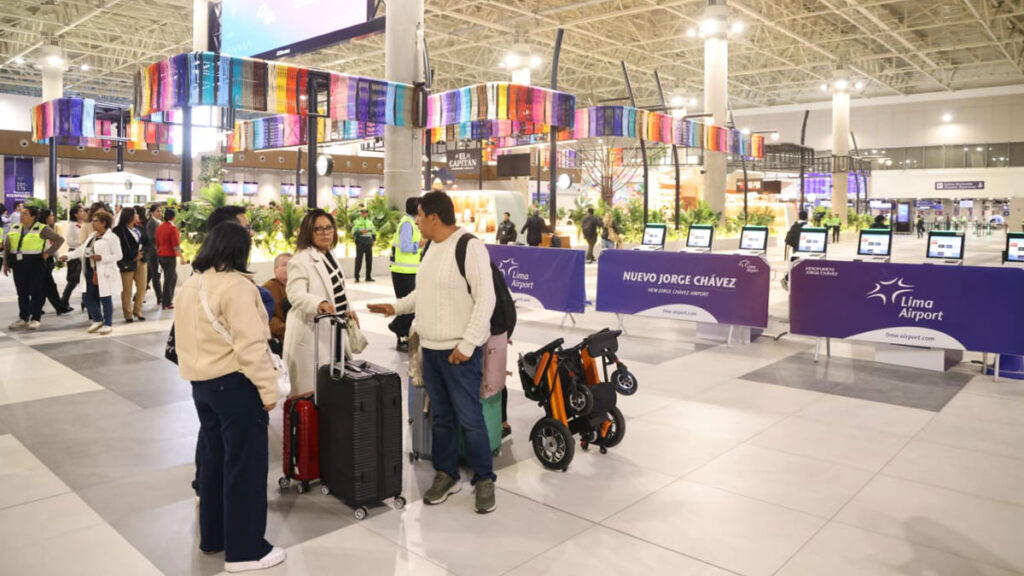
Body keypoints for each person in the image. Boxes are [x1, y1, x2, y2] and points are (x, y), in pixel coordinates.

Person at [368, 191, 497, 514]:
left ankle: (484, 478)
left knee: (470, 418)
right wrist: (394, 307)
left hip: (459, 353)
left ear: (434, 218)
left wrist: (467, 346)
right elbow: (421, 292)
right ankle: (446, 473)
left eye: (420, 216)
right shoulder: (430, 248)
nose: (417, 221)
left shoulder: (470, 247)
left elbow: (486, 300)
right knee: (441, 417)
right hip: (431, 350)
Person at [174, 222, 286, 573]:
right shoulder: (237, 287)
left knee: (214, 462)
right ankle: (245, 551)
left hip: (201, 386)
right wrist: (268, 391)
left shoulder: (190, 284)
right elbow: (251, 344)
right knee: (245, 467)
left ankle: (214, 539)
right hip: (235, 386)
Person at [283, 209, 358, 396]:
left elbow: (338, 289)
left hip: (335, 331)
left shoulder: (330, 255)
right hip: (311, 333)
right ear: (308, 232)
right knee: (312, 394)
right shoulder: (301, 260)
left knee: (334, 388)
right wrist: (318, 303)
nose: (325, 233)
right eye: (318, 229)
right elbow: (295, 294)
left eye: (328, 228)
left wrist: (348, 309)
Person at [4, 205, 65, 330]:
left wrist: (48, 253)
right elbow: (7, 246)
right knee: (22, 292)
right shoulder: (15, 227)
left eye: (25, 214)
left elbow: (59, 239)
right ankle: (23, 317)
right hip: (18, 264)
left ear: (33, 217)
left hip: (35, 264)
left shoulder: (42, 228)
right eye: (21, 213)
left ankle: (36, 318)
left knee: (36, 291)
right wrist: (6, 263)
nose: (21, 216)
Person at [62, 210, 121, 335]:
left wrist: (102, 258)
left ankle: (108, 323)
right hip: (89, 271)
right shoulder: (92, 236)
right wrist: (68, 256)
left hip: (104, 273)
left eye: (96, 221)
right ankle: (98, 319)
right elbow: (82, 250)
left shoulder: (112, 237)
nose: (93, 224)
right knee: (87, 298)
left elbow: (119, 255)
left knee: (105, 298)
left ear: (104, 223)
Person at [388, 197, 422, 352]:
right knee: (408, 308)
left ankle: (399, 330)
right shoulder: (407, 224)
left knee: (411, 306)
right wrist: (420, 244)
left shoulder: (411, 223)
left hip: (410, 271)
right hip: (403, 272)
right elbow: (405, 246)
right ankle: (400, 334)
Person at [113, 208, 149, 322]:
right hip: (127, 262)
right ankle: (127, 313)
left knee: (142, 286)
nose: (138, 216)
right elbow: (118, 248)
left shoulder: (140, 229)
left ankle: (137, 310)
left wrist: (142, 254)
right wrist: (133, 255)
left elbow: (148, 243)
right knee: (127, 289)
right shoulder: (118, 230)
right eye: (135, 214)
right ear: (129, 216)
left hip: (141, 261)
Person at [39, 209, 72, 315]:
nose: (53, 218)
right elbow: (58, 241)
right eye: (51, 215)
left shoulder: (41, 227)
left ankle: (36, 307)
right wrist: (49, 253)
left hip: (44, 259)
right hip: (44, 259)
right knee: (49, 285)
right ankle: (60, 307)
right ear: (46, 217)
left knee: (44, 285)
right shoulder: (44, 228)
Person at [156, 207, 186, 310]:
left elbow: (157, 243)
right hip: (169, 256)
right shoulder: (172, 228)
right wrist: (181, 257)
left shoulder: (160, 227)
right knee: (169, 279)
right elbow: (175, 245)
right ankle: (166, 303)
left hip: (161, 255)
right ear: (174, 217)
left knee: (172, 277)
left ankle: (167, 300)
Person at [60, 204, 87, 311]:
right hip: (74, 253)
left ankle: (85, 301)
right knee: (73, 280)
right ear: (75, 214)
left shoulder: (85, 224)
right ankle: (63, 302)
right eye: (81, 211)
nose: (83, 213)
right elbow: (70, 241)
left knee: (85, 279)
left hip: (84, 253)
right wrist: (82, 243)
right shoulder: (71, 225)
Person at [262, 253, 291, 348]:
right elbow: (267, 317)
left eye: (292, 265)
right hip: (281, 337)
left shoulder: (301, 288)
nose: (288, 268)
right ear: (275, 270)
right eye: (284, 265)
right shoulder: (268, 288)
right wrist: (287, 330)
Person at [780, 210, 809, 292]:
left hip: (795, 249)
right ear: (806, 217)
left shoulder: (794, 224)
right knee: (802, 267)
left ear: (799, 216)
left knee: (796, 265)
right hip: (805, 250)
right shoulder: (808, 226)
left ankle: (789, 280)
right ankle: (787, 279)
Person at [145, 205, 163, 306]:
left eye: (160, 211)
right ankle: (159, 297)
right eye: (158, 211)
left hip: (155, 252)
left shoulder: (156, 222)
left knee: (150, 275)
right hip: (153, 253)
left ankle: (139, 294)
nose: (160, 213)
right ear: (152, 213)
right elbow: (152, 238)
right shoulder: (152, 223)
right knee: (156, 275)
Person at [352, 207, 376, 282]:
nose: (364, 214)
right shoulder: (357, 221)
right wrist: (361, 232)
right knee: (359, 260)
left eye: (365, 212)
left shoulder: (370, 222)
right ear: (361, 213)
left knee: (369, 261)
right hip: (360, 243)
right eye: (363, 212)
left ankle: (368, 277)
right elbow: (353, 233)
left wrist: (374, 240)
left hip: (368, 243)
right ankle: (357, 277)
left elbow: (373, 232)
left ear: (367, 213)